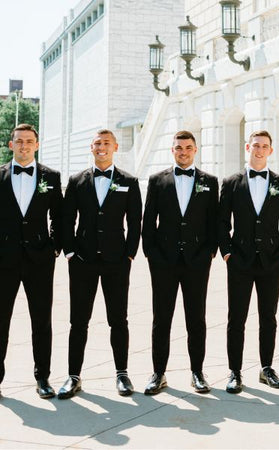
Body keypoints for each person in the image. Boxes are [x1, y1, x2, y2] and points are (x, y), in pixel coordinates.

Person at [57, 129, 142, 399]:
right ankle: (73, 376)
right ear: (90, 147)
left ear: (115, 146)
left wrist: (129, 254)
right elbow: (66, 218)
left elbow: (135, 222)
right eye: (97, 143)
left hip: (117, 261)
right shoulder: (77, 180)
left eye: (106, 143)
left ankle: (122, 374)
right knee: (78, 321)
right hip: (82, 261)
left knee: (118, 320)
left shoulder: (129, 180)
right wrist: (70, 252)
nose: (101, 147)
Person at [142, 130, 218, 395]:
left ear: (195, 150)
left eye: (188, 147)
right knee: (161, 318)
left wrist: (209, 252)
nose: (183, 152)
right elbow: (148, 220)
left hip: (197, 261)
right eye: (178, 148)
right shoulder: (157, 180)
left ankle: (197, 372)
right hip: (164, 261)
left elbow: (214, 222)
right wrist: (151, 253)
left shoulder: (210, 181)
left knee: (196, 318)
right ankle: (158, 373)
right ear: (172, 150)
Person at [218, 130, 279, 394]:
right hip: (239, 260)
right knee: (236, 318)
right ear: (247, 147)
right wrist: (227, 253)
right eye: (256, 145)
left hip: (272, 262)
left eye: (265, 146)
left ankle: (267, 368)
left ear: (271, 150)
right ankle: (235, 371)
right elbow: (222, 223)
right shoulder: (231, 183)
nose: (259, 150)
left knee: (268, 318)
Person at [0, 123, 62, 399]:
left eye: (29, 141)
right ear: (11, 144)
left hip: (40, 259)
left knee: (42, 321)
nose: (24, 146)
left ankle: (43, 378)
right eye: (19, 141)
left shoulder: (52, 176)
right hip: (4, 260)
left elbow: (60, 216)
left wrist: (55, 248)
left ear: (37, 145)